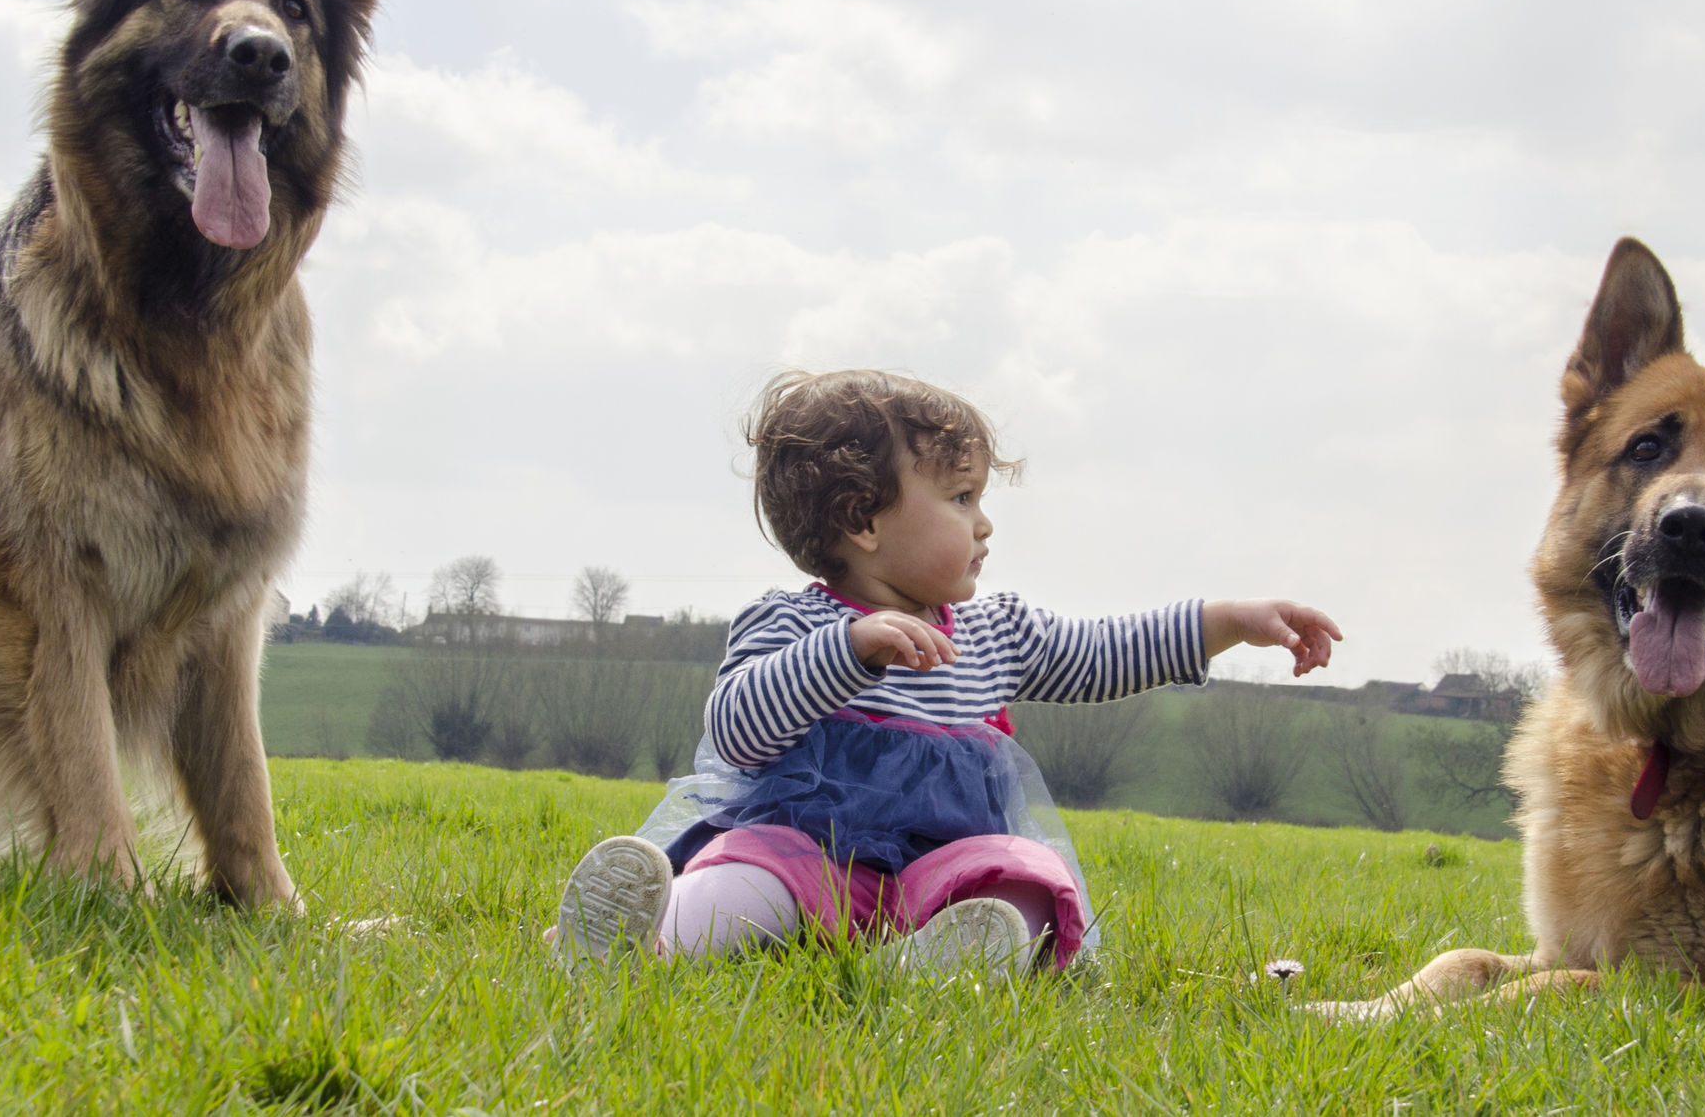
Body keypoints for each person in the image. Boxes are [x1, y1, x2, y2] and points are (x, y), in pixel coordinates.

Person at [552, 369, 1341, 976]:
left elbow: (1102, 653)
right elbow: (737, 731)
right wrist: (847, 651)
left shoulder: (996, 632)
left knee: (1028, 882)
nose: (984, 523)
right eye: (961, 498)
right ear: (863, 520)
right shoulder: (792, 624)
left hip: (942, 875)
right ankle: (642, 941)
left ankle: (930, 964)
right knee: (746, 881)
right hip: (810, 860)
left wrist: (1229, 621)